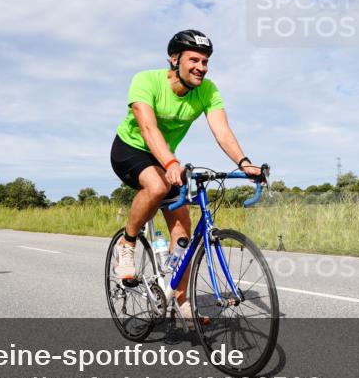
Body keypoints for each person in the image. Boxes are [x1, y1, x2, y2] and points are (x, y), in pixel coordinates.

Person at [110, 30, 263, 323]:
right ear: (175, 59)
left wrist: (244, 162)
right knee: (156, 185)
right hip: (130, 150)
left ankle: (180, 299)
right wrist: (170, 161)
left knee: (183, 227)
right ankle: (127, 245)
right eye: (194, 60)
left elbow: (221, 131)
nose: (201, 68)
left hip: (165, 156)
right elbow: (148, 128)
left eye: (205, 62)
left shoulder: (207, 90)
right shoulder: (146, 80)